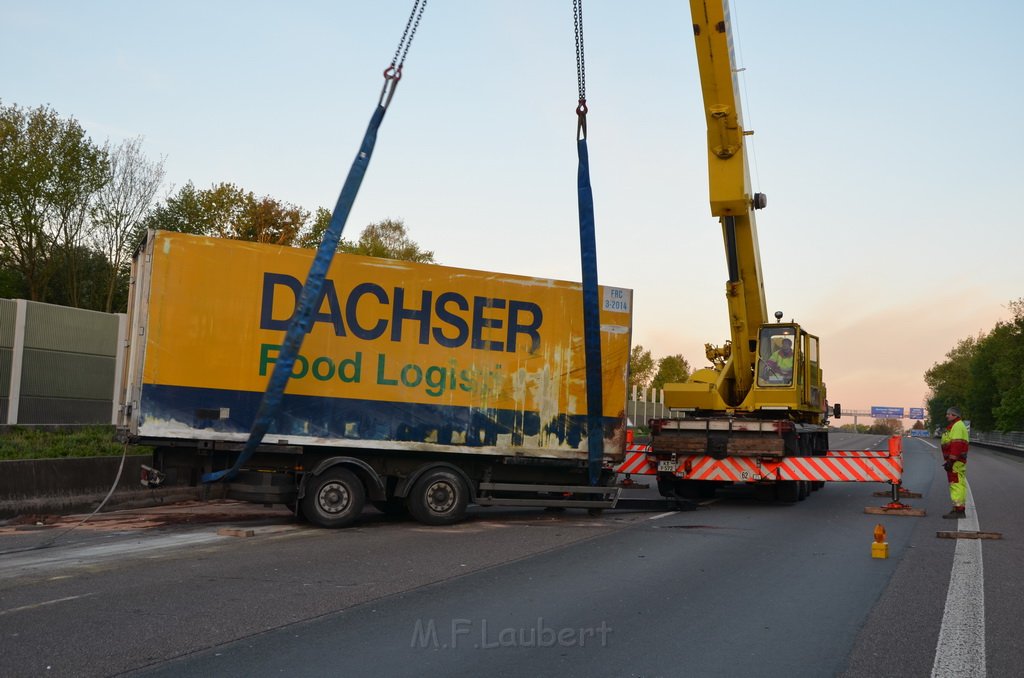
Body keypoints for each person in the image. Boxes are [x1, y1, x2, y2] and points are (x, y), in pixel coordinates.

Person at [940, 406, 970, 519]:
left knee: (955, 484)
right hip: (957, 460)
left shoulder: (957, 426)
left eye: (949, 414)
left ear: (955, 415)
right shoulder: (957, 426)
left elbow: (956, 445)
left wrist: (951, 461)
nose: (947, 416)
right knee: (959, 483)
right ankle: (959, 508)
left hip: (955, 461)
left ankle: (958, 510)